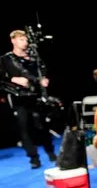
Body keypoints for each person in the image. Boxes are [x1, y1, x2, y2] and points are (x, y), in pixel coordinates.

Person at [0, 30, 56, 169]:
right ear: (13, 41)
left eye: (25, 39)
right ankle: (33, 158)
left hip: (35, 96)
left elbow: (42, 70)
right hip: (19, 98)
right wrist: (14, 79)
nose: (24, 42)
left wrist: (44, 79)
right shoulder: (6, 59)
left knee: (41, 126)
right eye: (21, 40)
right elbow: (1, 79)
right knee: (24, 128)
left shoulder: (33, 57)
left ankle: (50, 152)